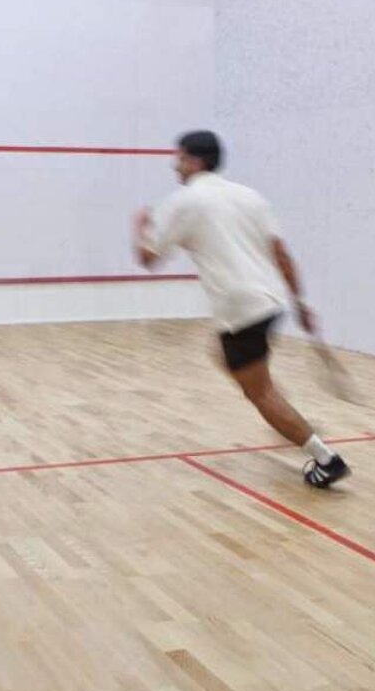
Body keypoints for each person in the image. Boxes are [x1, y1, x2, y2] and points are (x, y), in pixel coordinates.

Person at [134, 131, 350, 488]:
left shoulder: (185, 201)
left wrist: (141, 228)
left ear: (196, 161)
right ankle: (285, 414)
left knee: (258, 392)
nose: (175, 165)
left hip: (239, 309)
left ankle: (326, 459)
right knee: (223, 355)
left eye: (180, 158)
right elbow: (281, 253)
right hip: (270, 301)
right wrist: (300, 303)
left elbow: (148, 259)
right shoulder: (249, 197)